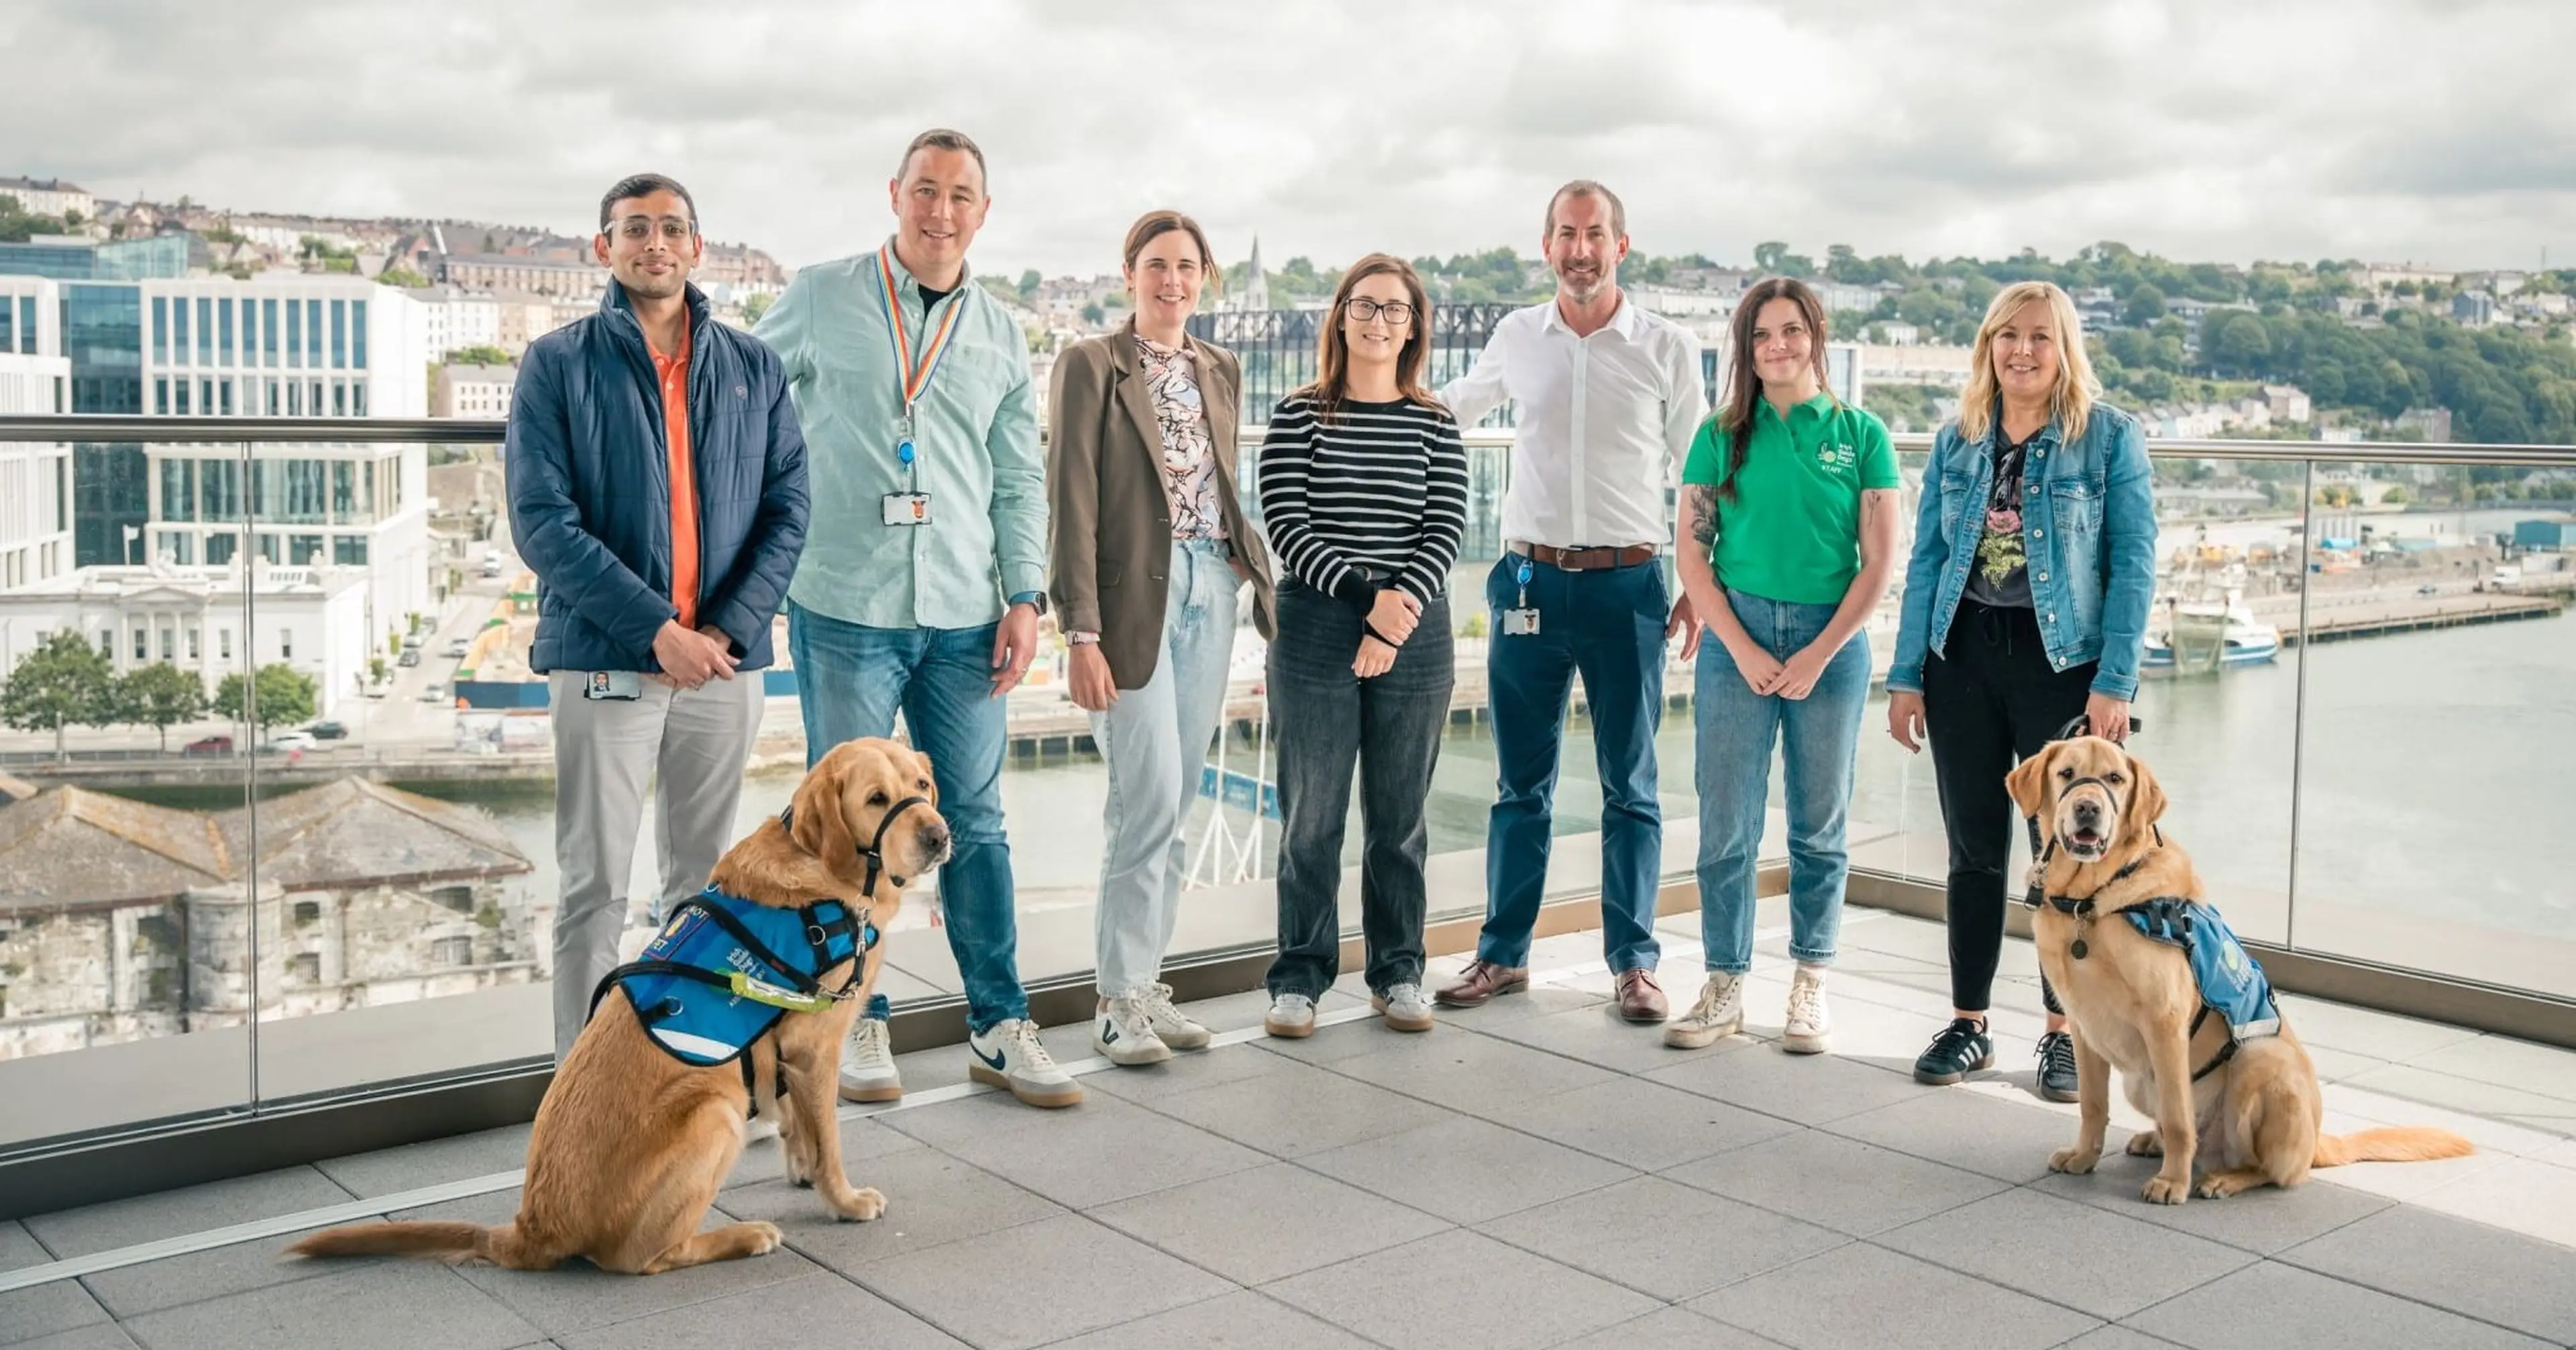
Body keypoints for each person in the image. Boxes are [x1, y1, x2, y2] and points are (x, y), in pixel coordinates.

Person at [753, 129, 1077, 1109]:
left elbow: (1021, 476)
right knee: (845, 832)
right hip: (846, 602)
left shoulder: (1000, 331)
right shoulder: (819, 295)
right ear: (894, 195)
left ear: (985, 212)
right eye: (925, 192)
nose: (941, 212)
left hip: (967, 613)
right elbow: (743, 403)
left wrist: (1025, 595)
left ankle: (999, 1022)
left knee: (973, 818)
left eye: (961, 196)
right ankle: (855, 1026)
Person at [508, 172, 810, 1060]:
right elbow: (542, 523)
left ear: (696, 246)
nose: (655, 243)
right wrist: (656, 632)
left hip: (722, 666)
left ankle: (681, 1078)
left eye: (672, 228)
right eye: (634, 229)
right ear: (604, 248)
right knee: (594, 888)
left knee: (706, 888)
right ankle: (577, 1087)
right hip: (608, 662)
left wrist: (720, 633)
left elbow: (789, 506)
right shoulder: (557, 364)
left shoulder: (753, 366)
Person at [1435, 180, 1706, 1025]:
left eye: (1595, 234)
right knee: (1521, 784)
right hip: (1528, 584)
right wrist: (1355, 407)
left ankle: (1634, 962)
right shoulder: (1518, 334)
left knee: (1631, 784)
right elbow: (1450, 410)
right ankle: (1503, 954)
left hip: (1630, 586)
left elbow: (1697, 470)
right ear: (1545, 245)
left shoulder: (1667, 345)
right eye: (1565, 234)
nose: (1580, 249)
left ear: (1621, 245)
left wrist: (1700, 580)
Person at [1886, 280, 2157, 1100]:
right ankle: (1969, 1022)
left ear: (2065, 348)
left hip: (2061, 665)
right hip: (1960, 657)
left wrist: (2115, 680)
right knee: (1972, 851)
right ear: (1988, 347)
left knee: (2068, 856)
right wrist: (1905, 676)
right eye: (2008, 336)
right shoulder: (1958, 439)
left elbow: (2133, 563)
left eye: (2040, 336)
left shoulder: (2108, 439)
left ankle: (2062, 1034)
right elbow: (1928, 562)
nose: (2023, 351)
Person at [1047, 211, 1275, 1066]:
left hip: (1211, 587)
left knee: (1177, 805)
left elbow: (1220, 480)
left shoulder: (1221, 366)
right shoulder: (1089, 365)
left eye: (1186, 266)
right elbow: (1068, 497)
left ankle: (1144, 983)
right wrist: (1081, 629)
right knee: (1144, 803)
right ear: (1129, 272)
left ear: (1206, 277)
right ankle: (1115, 1002)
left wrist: (1246, 576)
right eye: (1156, 265)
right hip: (1128, 602)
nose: (1171, 280)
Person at [1662, 279, 1898, 1054]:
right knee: (1726, 824)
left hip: (1833, 645)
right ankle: (1725, 982)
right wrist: (1745, 645)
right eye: (1762, 335)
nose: (1778, 346)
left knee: (1819, 827)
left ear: (1816, 337)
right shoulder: (1720, 434)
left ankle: (1809, 981)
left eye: (1792, 331)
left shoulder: (1862, 434)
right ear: (1746, 348)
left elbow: (1878, 564)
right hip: (1739, 638)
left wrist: (1817, 654)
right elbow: (1694, 555)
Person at [1259, 255, 1468, 1038]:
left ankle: (1399, 969)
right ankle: (1300, 976)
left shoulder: (1436, 421)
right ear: (1341, 315)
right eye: (1366, 305)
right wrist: (1365, 605)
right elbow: (1287, 524)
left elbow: (1445, 528)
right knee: (1311, 816)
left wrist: (1393, 617)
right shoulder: (1299, 414)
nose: (1380, 321)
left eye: (1397, 309)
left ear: (1414, 327)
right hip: (1317, 624)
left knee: (1400, 817)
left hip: (1414, 634)